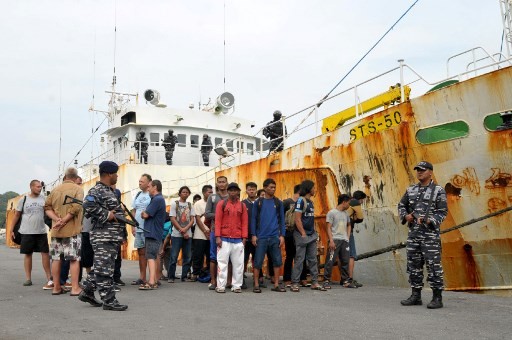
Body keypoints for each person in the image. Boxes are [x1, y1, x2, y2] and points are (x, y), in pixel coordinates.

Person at [398, 161, 448, 309]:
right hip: (413, 235)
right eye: (418, 170)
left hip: (430, 236)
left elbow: (442, 211)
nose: (419, 172)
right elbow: (401, 205)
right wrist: (405, 216)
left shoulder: (438, 191)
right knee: (413, 265)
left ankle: (437, 298)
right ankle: (415, 295)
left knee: (433, 266)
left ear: (430, 172)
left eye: (422, 170)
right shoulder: (411, 190)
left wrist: (430, 220)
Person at [79, 161, 128, 311]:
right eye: (115, 173)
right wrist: (108, 215)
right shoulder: (98, 190)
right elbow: (87, 204)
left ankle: (87, 291)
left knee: (102, 266)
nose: (117, 176)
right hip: (103, 236)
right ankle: (109, 301)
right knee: (105, 269)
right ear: (108, 174)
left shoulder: (109, 191)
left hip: (111, 236)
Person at [44, 167, 84, 296]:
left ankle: (56, 287)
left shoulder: (55, 190)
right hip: (71, 230)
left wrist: (57, 220)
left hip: (56, 230)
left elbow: (46, 207)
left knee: (56, 259)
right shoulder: (78, 189)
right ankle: (75, 288)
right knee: (74, 259)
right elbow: (76, 207)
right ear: (75, 177)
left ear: (65, 176)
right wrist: (65, 220)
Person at [10, 180, 52, 289]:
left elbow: (49, 212)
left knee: (45, 254)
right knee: (28, 254)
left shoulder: (44, 198)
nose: (40, 188)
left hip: (41, 231)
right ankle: (28, 279)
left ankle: (49, 278)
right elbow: (16, 215)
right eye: (37, 187)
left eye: (41, 187)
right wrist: (11, 229)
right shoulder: (23, 199)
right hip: (26, 232)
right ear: (31, 187)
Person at [251, 178, 286, 293]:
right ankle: (256, 284)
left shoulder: (278, 202)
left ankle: (276, 284)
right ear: (265, 188)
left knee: (277, 261)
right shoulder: (258, 202)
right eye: (271, 187)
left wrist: (282, 236)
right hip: (261, 237)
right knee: (258, 261)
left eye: (274, 187)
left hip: (275, 237)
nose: (273, 189)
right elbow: (253, 219)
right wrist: (254, 235)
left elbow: (282, 220)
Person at [290, 180, 325, 292]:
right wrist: (303, 234)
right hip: (302, 235)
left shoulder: (311, 202)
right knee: (300, 259)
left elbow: (309, 219)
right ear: (309, 189)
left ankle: (315, 282)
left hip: (311, 235)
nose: (315, 190)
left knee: (313, 259)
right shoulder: (301, 201)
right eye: (313, 188)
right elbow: (297, 219)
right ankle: (295, 283)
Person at [214, 182, 248, 293]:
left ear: (238, 191)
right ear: (228, 191)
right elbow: (217, 221)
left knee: (238, 264)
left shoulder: (242, 206)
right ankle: (221, 286)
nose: (233, 192)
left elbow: (245, 223)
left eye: (235, 190)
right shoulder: (221, 204)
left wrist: (244, 237)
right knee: (222, 264)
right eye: (231, 190)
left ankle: (237, 285)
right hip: (224, 238)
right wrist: (217, 237)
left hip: (238, 239)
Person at [139, 180, 167, 290]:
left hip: (152, 232)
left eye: (149, 186)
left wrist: (143, 213)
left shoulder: (157, 199)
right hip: (155, 231)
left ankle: (151, 282)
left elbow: (146, 214)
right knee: (153, 256)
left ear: (155, 187)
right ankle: (154, 280)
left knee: (150, 256)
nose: (148, 188)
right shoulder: (159, 199)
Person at [323, 194, 354, 289]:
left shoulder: (346, 214)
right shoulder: (332, 213)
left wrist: (347, 236)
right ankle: (326, 280)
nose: (349, 205)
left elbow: (349, 225)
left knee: (345, 260)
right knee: (330, 260)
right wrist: (331, 240)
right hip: (335, 240)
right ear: (344, 202)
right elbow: (328, 227)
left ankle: (345, 280)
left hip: (344, 240)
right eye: (348, 203)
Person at [204, 176, 229, 290]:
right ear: (217, 184)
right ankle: (213, 281)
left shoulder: (231, 196)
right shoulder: (212, 197)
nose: (222, 184)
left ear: (227, 183)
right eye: (219, 182)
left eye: (223, 182)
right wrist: (220, 215)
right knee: (213, 256)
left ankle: (227, 281)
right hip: (215, 230)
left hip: (228, 232)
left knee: (228, 257)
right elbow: (207, 214)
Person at [166, 186, 195, 282]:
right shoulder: (175, 204)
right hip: (176, 234)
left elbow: (192, 219)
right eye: (183, 192)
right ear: (180, 193)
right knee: (174, 256)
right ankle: (171, 276)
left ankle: (184, 276)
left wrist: (185, 229)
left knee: (187, 256)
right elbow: (172, 218)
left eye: (187, 192)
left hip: (188, 234)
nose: (185, 194)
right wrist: (182, 230)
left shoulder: (190, 205)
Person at [282, 184, 308, 287]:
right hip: (290, 232)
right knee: (290, 256)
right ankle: (287, 278)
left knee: (302, 256)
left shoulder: (305, 203)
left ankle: (303, 277)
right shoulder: (287, 202)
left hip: (301, 232)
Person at [130, 174, 152, 286]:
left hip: (147, 228)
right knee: (141, 252)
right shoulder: (138, 194)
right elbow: (133, 211)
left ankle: (153, 277)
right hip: (138, 228)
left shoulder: (151, 195)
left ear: (149, 183)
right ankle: (142, 277)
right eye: (139, 181)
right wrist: (132, 226)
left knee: (151, 253)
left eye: (142, 181)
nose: (139, 183)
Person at [346, 190, 367, 287]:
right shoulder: (355, 202)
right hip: (348, 232)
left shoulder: (347, 202)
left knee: (342, 256)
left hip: (339, 231)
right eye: (362, 200)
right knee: (351, 255)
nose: (362, 202)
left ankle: (344, 278)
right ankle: (350, 278)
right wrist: (355, 218)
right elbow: (360, 218)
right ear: (360, 199)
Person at [191, 185, 213, 281]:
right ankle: (195, 273)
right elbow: (198, 219)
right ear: (204, 193)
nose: (211, 194)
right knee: (198, 255)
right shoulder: (198, 204)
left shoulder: (214, 203)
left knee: (210, 255)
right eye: (209, 192)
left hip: (211, 233)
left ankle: (209, 274)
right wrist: (205, 231)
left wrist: (210, 232)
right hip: (200, 234)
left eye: (212, 192)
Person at [242, 182, 258, 289]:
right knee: (243, 259)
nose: (251, 191)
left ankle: (257, 280)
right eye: (249, 189)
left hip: (258, 236)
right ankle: (241, 279)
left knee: (257, 259)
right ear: (246, 191)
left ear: (256, 190)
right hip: (245, 236)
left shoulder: (261, 202)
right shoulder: (242, 203)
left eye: (253, 189)